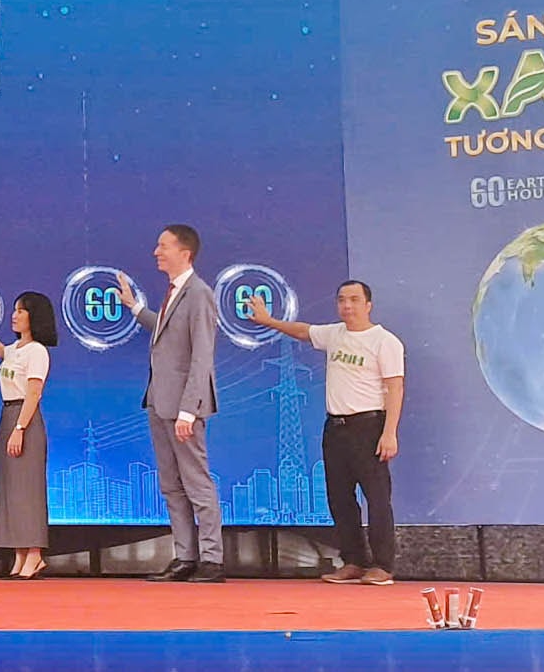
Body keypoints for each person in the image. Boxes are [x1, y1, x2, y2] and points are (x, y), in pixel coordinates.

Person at [246, 280, 405, 586]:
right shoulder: (334, 334)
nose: (347, 305)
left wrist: (390, 433)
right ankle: (354, 561)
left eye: (354, 300)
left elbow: (395, 388)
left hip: (369, 426)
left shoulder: (385, 341)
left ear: (368, 305)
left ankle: (382, 565)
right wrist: (268, 321)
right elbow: (303, 331)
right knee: (339, 498)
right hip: (335, 428)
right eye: (342, 300)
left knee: (377, 498)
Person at [117, 224, 224, 583]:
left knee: (196, 482)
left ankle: (212, 559)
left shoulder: (199, 294)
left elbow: (201, 355)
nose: (156, 252)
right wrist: (135, 307)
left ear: (184, 252)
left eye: (163, 246)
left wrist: (189, 409)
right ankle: (185, 557)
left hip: (183, 408)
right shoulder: (175, 292)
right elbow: (166, 332)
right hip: (159, 401)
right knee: (171, 485)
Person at [0, 292, 57, 580]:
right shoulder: (16, 349)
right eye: (15, 310)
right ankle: (20, 554)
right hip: (8, 415)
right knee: (11, 490)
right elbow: (0, 350)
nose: (15, 315)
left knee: (28, 490)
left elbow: (34, 393)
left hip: (24, 419)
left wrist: (20, 428)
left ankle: (35, 554)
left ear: (34, 316)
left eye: (21, 311)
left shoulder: (37, 351)